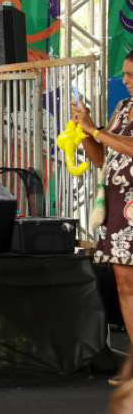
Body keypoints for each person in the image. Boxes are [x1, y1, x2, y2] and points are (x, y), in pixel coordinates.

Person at [74, 51, 133, 385]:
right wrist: (86, 131)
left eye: (130, 75)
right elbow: (101, 159)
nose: (125, 81)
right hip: (117, 204)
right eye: (124, 74)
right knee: (124, 281)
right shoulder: (123, 108)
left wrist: (96, 131)